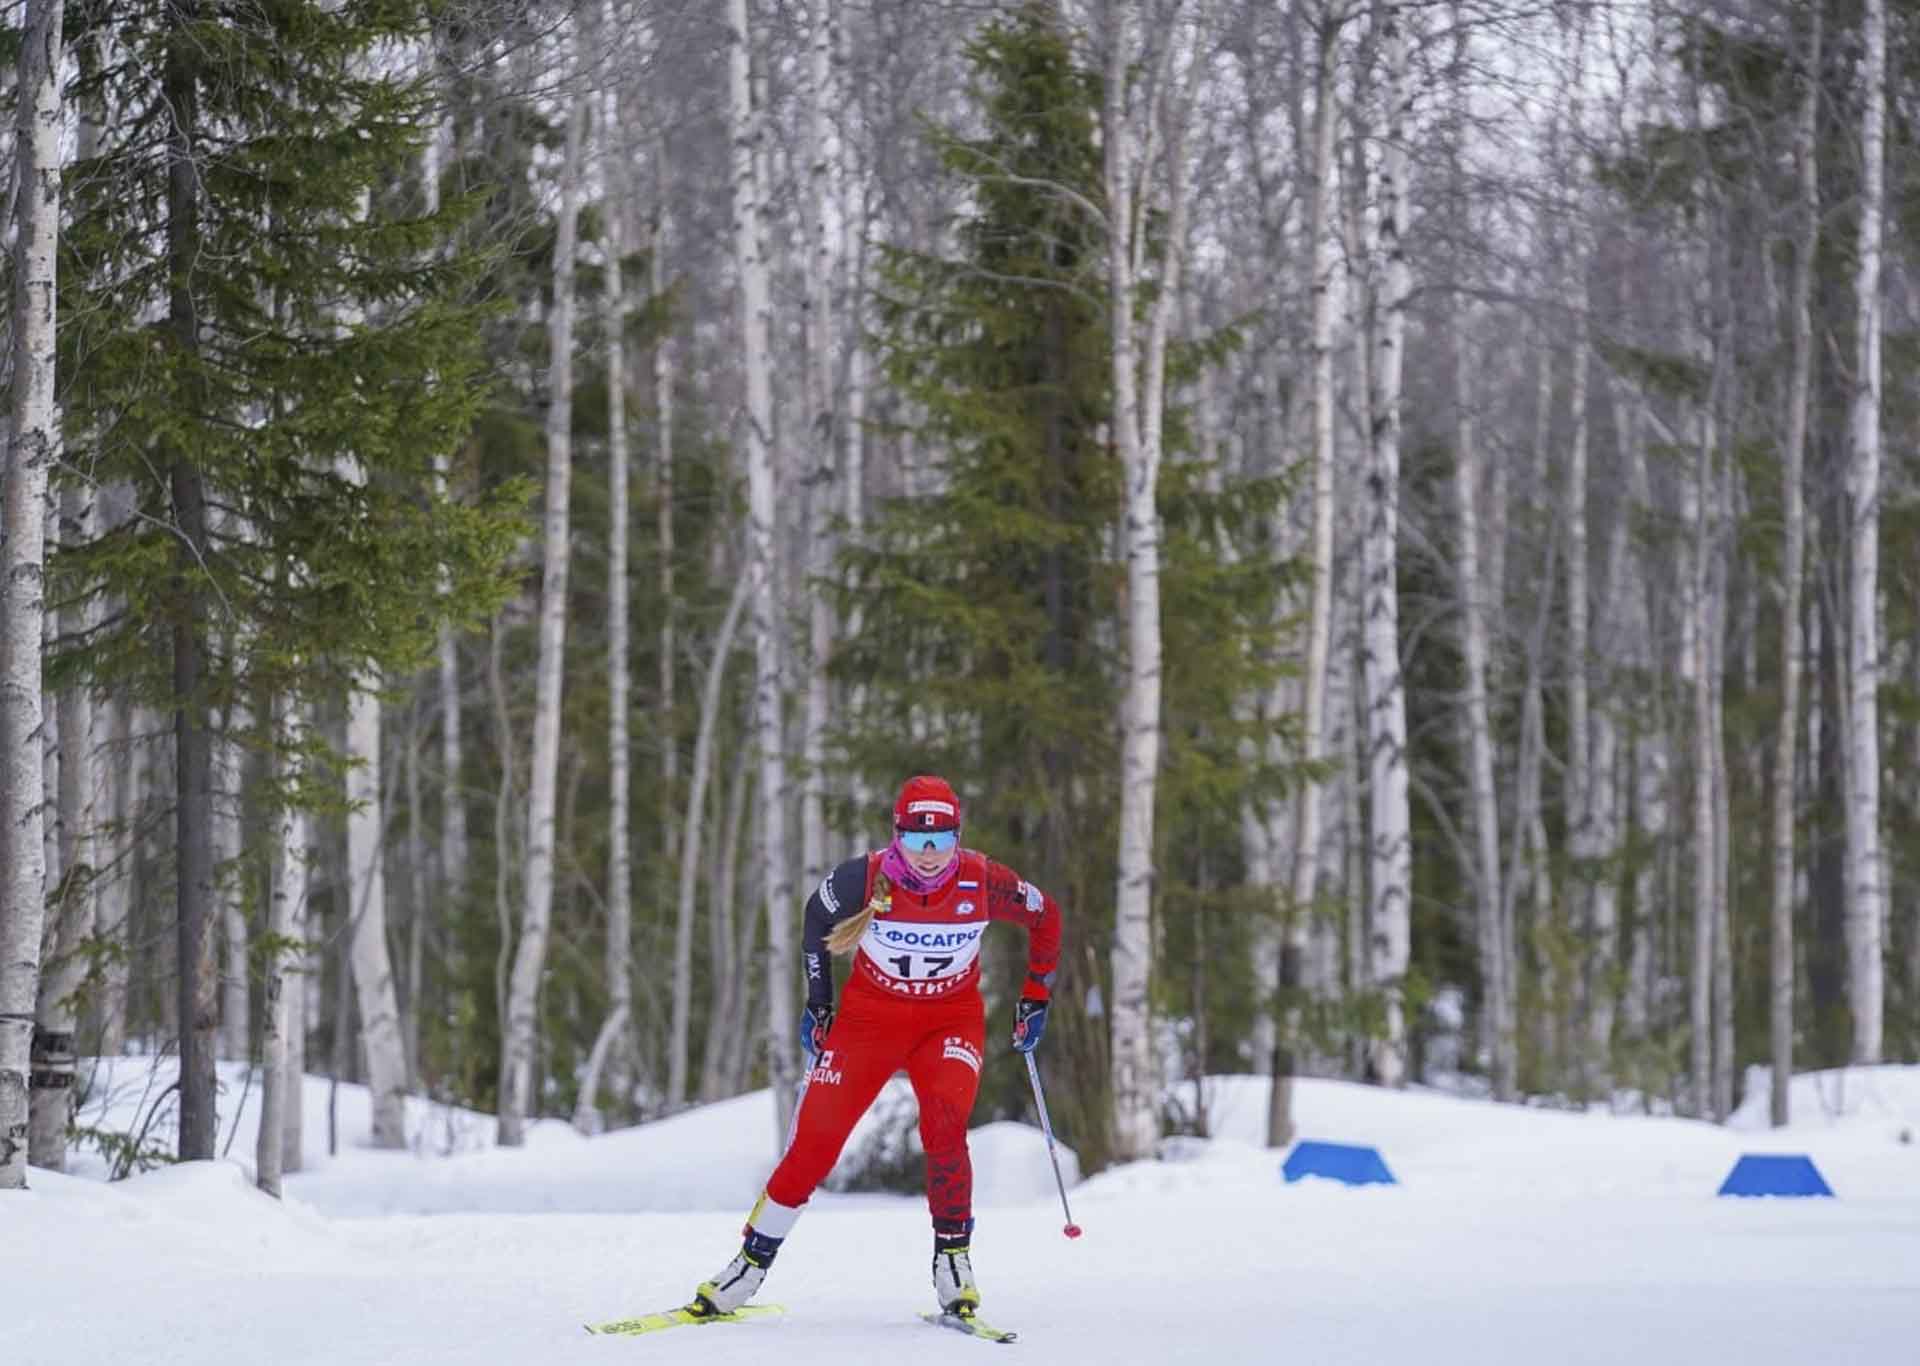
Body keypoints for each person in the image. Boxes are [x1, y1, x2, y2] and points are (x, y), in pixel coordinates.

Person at [690, 774, 1063, 1321]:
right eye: (916, 839)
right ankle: (749, 1264)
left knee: (945, 1123)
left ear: (958, 836)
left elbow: (1046, 916)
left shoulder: (984, 880)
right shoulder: (863, 878)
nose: (929, 853)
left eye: (941, 839)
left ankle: (953, 1260)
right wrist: (819, 1004)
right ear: (897, 835)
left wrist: (1034, 998)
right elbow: (816, 919)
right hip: (870, 1021)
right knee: (815, 1143)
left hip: (948, 1022)